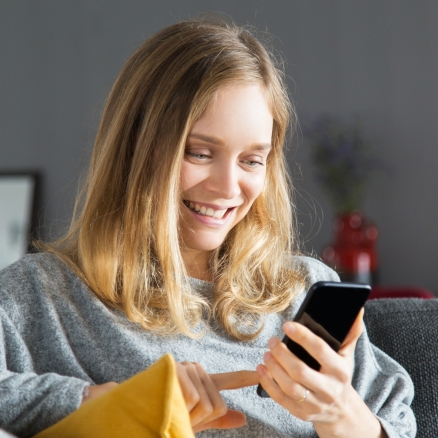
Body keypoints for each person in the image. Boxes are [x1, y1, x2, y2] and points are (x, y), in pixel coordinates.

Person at [0, 17, 415, 438]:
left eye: (252, 160)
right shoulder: (41, 295)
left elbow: (398, 422)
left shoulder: (301, 289)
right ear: (134, 149)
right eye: (199, 153)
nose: (228, 187)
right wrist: (112, 406)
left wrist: (339, 414)